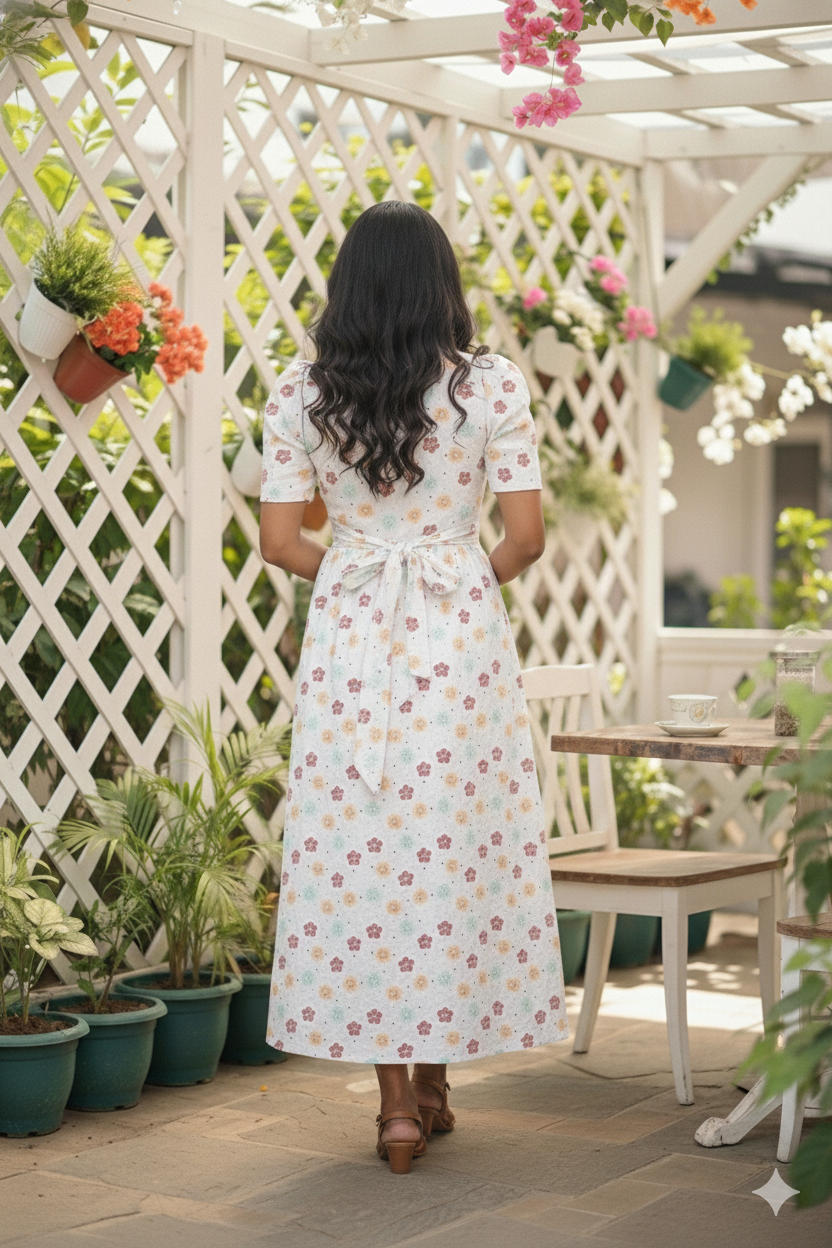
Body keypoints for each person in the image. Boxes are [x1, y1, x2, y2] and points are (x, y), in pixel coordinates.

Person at [259, 201, 567, 1175]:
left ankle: (396, 1104)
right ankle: (434, 1078)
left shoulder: (299, 394)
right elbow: (524, 536)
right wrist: (461, 579)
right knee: (450, 845)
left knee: (365, 853)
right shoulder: (491, 388)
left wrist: (356, 573)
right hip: (457, 643)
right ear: (442, 284)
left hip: (351, 643)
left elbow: (277, 541)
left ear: (346, 285)